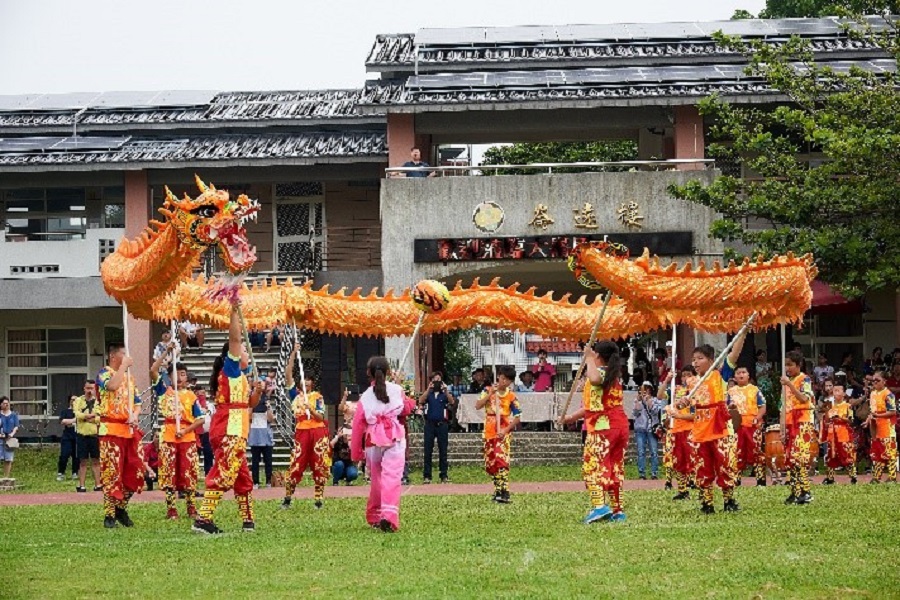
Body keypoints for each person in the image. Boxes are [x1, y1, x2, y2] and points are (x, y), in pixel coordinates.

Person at [193, 303, 263, 535]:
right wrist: (234, 312)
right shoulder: (230, 369)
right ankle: (203, 519)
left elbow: (250, 404)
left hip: (236, 429)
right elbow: (234, 338)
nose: (246, 353)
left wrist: (257, 392)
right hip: (229, 429)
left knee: (242, 477)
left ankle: (248, 521)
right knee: (224, 472)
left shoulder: (240, 376)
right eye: (244, 350)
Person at [559, 341, 628, 523]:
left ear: (597, 355)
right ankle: (617, 510)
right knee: (614, 466)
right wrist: (571, 418)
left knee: (593, 465)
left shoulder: (600, 374)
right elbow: (593, 405)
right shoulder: (613, 376)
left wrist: (589, 358)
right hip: (618, 426)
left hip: (602, 428)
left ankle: (599, 507)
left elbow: (595, 379)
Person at [350, 356, 413, 532]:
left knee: (377, 478)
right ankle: (389, 515)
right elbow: (407, 408)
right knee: (392, 477)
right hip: (394, 436)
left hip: (374, 439)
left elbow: (358, 426)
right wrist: (398, 386)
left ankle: (376, 515)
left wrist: (356, 452)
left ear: (368, 373)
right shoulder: (397, 390)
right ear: (388, 372)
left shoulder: (365, 397)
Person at [690, 328, 748, 514]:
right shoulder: (692, 382)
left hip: (720, 428)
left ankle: (729, 500)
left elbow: (734, 354)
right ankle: (707, 503)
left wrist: (743, 333)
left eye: (700, 358)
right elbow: (690, 410)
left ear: (710, 360)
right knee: (702, 466)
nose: (695, 362)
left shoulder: (720, 376)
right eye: (694, 359)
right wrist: (682, 404)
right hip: (700, 430)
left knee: (726, 464)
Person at [151, 354, 205, 520]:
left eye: (183, 374)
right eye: (176, 373)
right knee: (168, 473)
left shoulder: (191, 396)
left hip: (187, 438)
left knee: (189, 472)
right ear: (169, 376)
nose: (180, 377)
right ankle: (171, 508)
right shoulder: (164, 391)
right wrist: (166, 352)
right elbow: (153, 370)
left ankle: (191, 507)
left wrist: (186, 430)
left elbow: (200, 419)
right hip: (169, 437)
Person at [97, 342, 144, 528]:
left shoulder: (129, 378)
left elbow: (138, 402)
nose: (127, 358)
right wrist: (124, 366)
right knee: (112, 472)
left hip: (129, 431)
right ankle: (109, 514)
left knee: (135, 470)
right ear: (113, 356)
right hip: (111, 430)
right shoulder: (104, 373)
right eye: (123, 355)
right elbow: (112, 386)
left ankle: (121, 507)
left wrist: (135, 415)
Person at [282, 344, 331, 509]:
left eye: (309, 379)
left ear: (312, 382)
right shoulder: (295, 395)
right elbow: (287, 374)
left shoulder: (317, 397)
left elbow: (321, 417)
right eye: (305, 379)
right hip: (302, 432)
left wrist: (311, 408)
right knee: (296, 463)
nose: (306, 381)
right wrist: (293, 353)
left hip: (317, 432)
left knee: (319, 464)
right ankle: (287, 498)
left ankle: (318, 499)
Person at [475, 365, 522, 504]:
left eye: (507, 380)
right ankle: (497, 490)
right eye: (502, 378)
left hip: (503, 431)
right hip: (489, 430)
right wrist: (490, 394)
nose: (503, 382)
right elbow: (478, 405)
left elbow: (518, 416)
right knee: (491, 462)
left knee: (501, 459)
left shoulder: (511, 396)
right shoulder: (487, 390)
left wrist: (506, 430)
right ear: (498, 377)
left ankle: (505, 490)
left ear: (510, 382)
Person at [781, 350, 816, 505]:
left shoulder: (804, 379)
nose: (787, 368)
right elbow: (783, 407)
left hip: (802, 421)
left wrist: (789, 384)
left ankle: (805, 491)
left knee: (799, 457)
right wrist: (782, 428)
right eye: (785, 365)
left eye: (790, 365)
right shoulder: (786, 383)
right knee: (790, 458)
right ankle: (795, 491)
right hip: (790, 422)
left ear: (798, 365)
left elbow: (803, 398)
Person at [661, 367, 697, 500]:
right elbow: (660, 395)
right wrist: (666, 380)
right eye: (683, 375)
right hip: (675, 430)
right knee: (678, 461)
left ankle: (699, 487)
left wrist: (679, 416)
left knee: (692, 461)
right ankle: (682, 490)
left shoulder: (696, 392)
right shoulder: (675, 389)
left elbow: (695, 415)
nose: (686, 378)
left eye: (689, 375)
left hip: (690, 431)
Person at [727, 367, 766, 486]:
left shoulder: (755, 390)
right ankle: (736, 479)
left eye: (744, 372)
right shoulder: (730, 392)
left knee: (756, 452)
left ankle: (761, 480)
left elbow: (763, 407)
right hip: (737, 427)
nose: (741, 375)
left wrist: (757, 418)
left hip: (752, 426)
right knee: (736, 452)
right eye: (738, 373)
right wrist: (730, 408)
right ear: (734, 377)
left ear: (748, 375)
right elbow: (725, 408)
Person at [418, 371, 455, 484]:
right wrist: (428, 389)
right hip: (429, 424)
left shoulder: (444, 394)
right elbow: (421, 400)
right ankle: (427, 475)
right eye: (435, 380)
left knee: (443, 450)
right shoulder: (428, 394)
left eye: (439, 380)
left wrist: (446, 390)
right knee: (427, 450)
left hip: (442, 424)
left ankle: (443, 475)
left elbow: (452, 401)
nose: (437, 382)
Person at [864, 370, 897, 483]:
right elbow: (872, 411)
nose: (874, 382)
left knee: (890, 453)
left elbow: (892, 412)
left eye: (877, 380)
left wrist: (877, 415)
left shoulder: (888, 394)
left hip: (887, 428)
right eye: (873, 380)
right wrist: (869, 419)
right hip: (876, 428)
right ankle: (876, 477)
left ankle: (892, 477)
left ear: (884, 381)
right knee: (878, 453)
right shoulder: (873, 394)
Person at [821, 382, 857, 485]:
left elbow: (851, 420)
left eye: (838, 390)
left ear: (844, 393)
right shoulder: (829, 404)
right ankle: (830, 478)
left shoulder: (847, 406)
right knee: (831, 455)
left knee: (846, 454)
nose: (835, 393)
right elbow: (825, 418)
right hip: (832, 434)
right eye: (834, 391)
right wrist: (826, 412)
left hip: (843, 433)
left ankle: (853, 476)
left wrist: (840, 418)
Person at [73, 380, 102, 493]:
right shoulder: (78, 400)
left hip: (94, 434)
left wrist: (92, 419)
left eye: (91, 388)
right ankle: (82, 485)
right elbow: (77, 414)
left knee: (96, 460)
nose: (89, 391)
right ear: (84, 388)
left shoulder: (98, 401)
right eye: (88, 388)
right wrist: (88, 416)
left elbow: (100, 417)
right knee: (82, 461)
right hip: (82, 434)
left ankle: (98, 484)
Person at [632, 382, 663, 480]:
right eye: (642, 389)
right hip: (640, 429)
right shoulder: (637, 400)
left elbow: (655, 411)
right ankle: (642, 474)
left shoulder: (655, 400)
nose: (645, 391)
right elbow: (635, 413)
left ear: (650, 389)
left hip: (652, 429)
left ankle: (654, 473)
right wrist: (638, 401)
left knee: (654, 452)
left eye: (646, 389)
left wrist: (648, 401)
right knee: (641, 452)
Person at [249, 380, 275, 489]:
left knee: (268, 460)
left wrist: (268, 406)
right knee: (255, 461)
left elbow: (271, 419)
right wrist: (251, 405)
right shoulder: (251, 400)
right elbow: (248, 417)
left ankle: (269, 481)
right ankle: (256, 482)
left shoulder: (266, 400)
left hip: (266, 435)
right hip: (255, 434)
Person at [57, 394, 80, 481]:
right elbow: (63, 421)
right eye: (72, 400)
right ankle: (61, 473)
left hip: (78, 436)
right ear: (69, 401)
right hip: (67, 437)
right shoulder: (65, 411)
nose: (74, 401)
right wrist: (74, 420)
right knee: (64, 455)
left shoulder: (80, 412)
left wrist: (70, 422)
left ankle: (75, 472)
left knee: (76, 456)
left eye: (76, 400)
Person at [194, 385, 214, 474]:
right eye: (199, 393)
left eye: (203, 393)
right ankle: (194, 474)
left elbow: (213, 416)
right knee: (195, 454)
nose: (202, 395)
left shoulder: (210, 405)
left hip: (207, 432)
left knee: (208, 454)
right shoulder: (193, 404)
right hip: (196, 432)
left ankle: (208, 473)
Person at [0, 396, 19, 478]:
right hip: (0, 439)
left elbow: (16, 426)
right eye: (4, 403)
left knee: (8, 459)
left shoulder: (13, 415)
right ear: (1, 404)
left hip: (9, 439)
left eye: (7, 403)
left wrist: (12, 434)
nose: (6, 405)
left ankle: (6, 477)